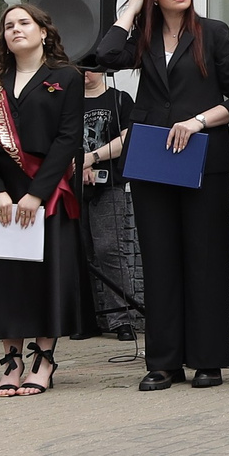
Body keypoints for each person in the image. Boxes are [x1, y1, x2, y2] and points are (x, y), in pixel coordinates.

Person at [88, 0, 229, 391]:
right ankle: (164, 362)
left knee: (205, 258)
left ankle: (207, 360)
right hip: (152, 160)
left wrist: (198, 120)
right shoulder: (142, 37)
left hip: (201, 156)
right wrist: (131, 10)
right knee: (158, 261)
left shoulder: (212, 33)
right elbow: (103, 57)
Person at [0, 1, 91, 397]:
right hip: (2, 194)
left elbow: (68, 138)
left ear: (43, 30)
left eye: (24, 22)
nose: (16, 29)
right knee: (5, 278)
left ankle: (44, 358)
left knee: (45, 275)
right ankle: (11, 360)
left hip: (47, 190)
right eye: (9, 25)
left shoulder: (66, 77)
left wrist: (37, 194)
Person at [77, 58, 137, 339]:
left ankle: (120, 318)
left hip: (110, 184)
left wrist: (92, 158)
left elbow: (128, 138)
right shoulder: (67, 101)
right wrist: (79, 164)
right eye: (81, 68)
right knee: (80, 253)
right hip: (72, 186)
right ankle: (84, 318)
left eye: (91, 67)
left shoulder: (120, 99)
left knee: (109, 250)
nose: (86, 73)